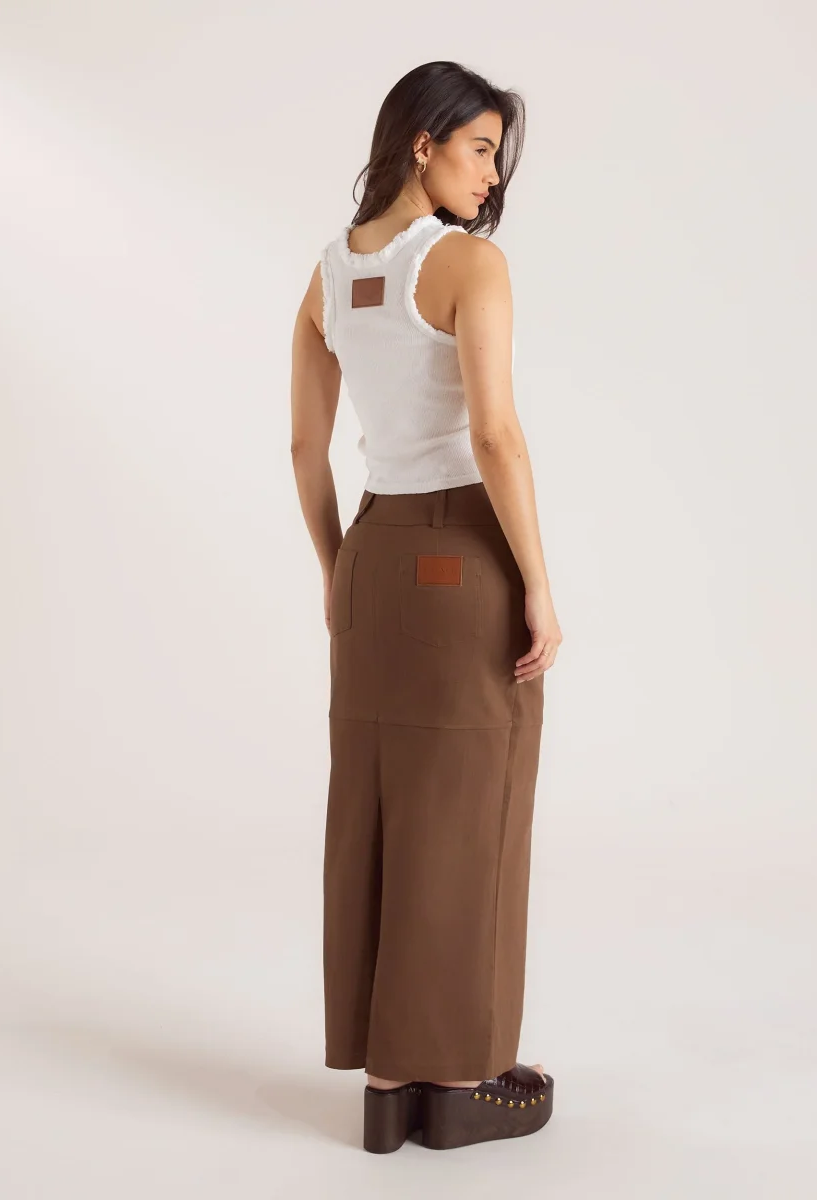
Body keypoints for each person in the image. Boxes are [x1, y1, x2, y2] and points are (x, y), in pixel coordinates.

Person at [290, 60, 562, 1153]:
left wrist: (337, 568)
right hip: (459, 557)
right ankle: (454, 1082)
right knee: (469, 810)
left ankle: (385, 1080)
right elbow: (494, 435)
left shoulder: (327, 275)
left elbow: (305, 446)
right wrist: (537, 582)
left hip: (372, 554)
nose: (492, 177)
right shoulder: (466, 264)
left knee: (377, 808)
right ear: (422, 142)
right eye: (480, 148)